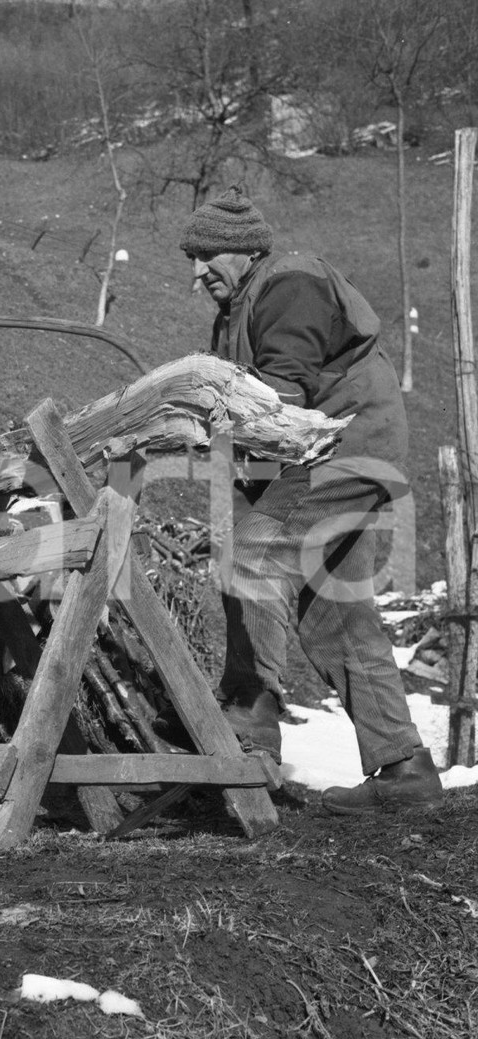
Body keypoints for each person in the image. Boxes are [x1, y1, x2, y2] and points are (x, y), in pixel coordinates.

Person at [177, 186, 442, 814]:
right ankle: (406, 769)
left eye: (206, 255)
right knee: (336, 614)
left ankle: (249, 726)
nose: (195, 272)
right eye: (190, 258)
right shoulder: (240, 308)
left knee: (252, 554)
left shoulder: (289, 284)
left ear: (242, 251)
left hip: (340, 451)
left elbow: (277, 399)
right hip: (322, 457)